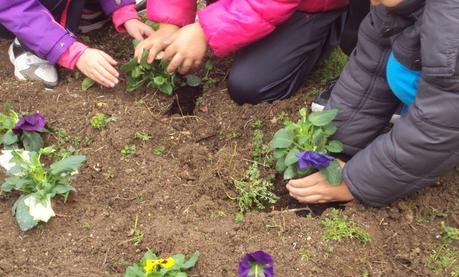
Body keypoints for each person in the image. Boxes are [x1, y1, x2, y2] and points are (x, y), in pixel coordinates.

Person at [287, 0, 459, 207]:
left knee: (423, 82)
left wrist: (355, 181)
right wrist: (337, 146)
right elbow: (371, 68)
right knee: (397, 65)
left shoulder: (451, 25)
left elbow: (441, 123)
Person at [135, 0, 350, 105]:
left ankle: (331, 26)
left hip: (304, 7)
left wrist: (205, 29)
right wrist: (169, 23)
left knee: (250, 86)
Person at [0, 0, 153, 88]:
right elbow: (14, 6)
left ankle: (79, 10)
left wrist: (123, 10)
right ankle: (28, 46)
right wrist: (70, 51)